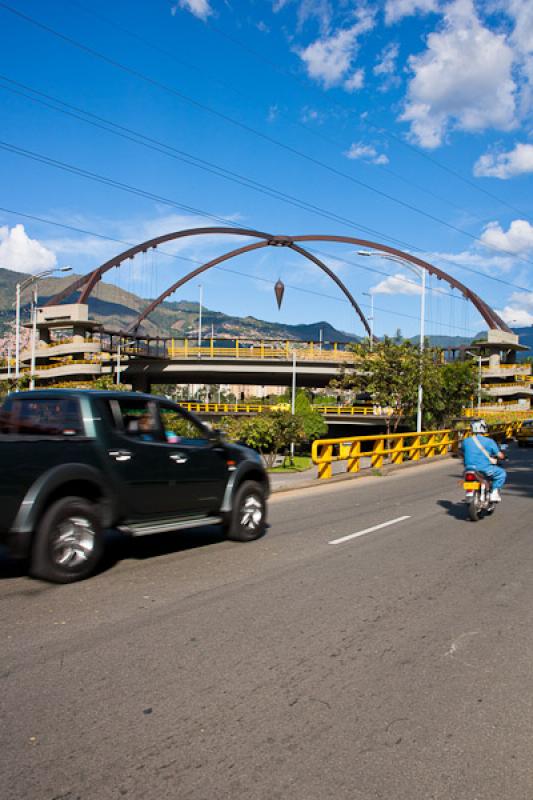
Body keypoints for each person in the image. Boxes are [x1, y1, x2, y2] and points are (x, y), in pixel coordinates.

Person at [462, 419, 506, 502]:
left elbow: (462, 451)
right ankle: (494, 493)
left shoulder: (465, 441)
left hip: (469, 469)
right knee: (501, 473)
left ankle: (471, 493)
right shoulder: (489, 441)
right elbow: (499, 455)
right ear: (483, 428)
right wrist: (503, 456)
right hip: (484, 468)